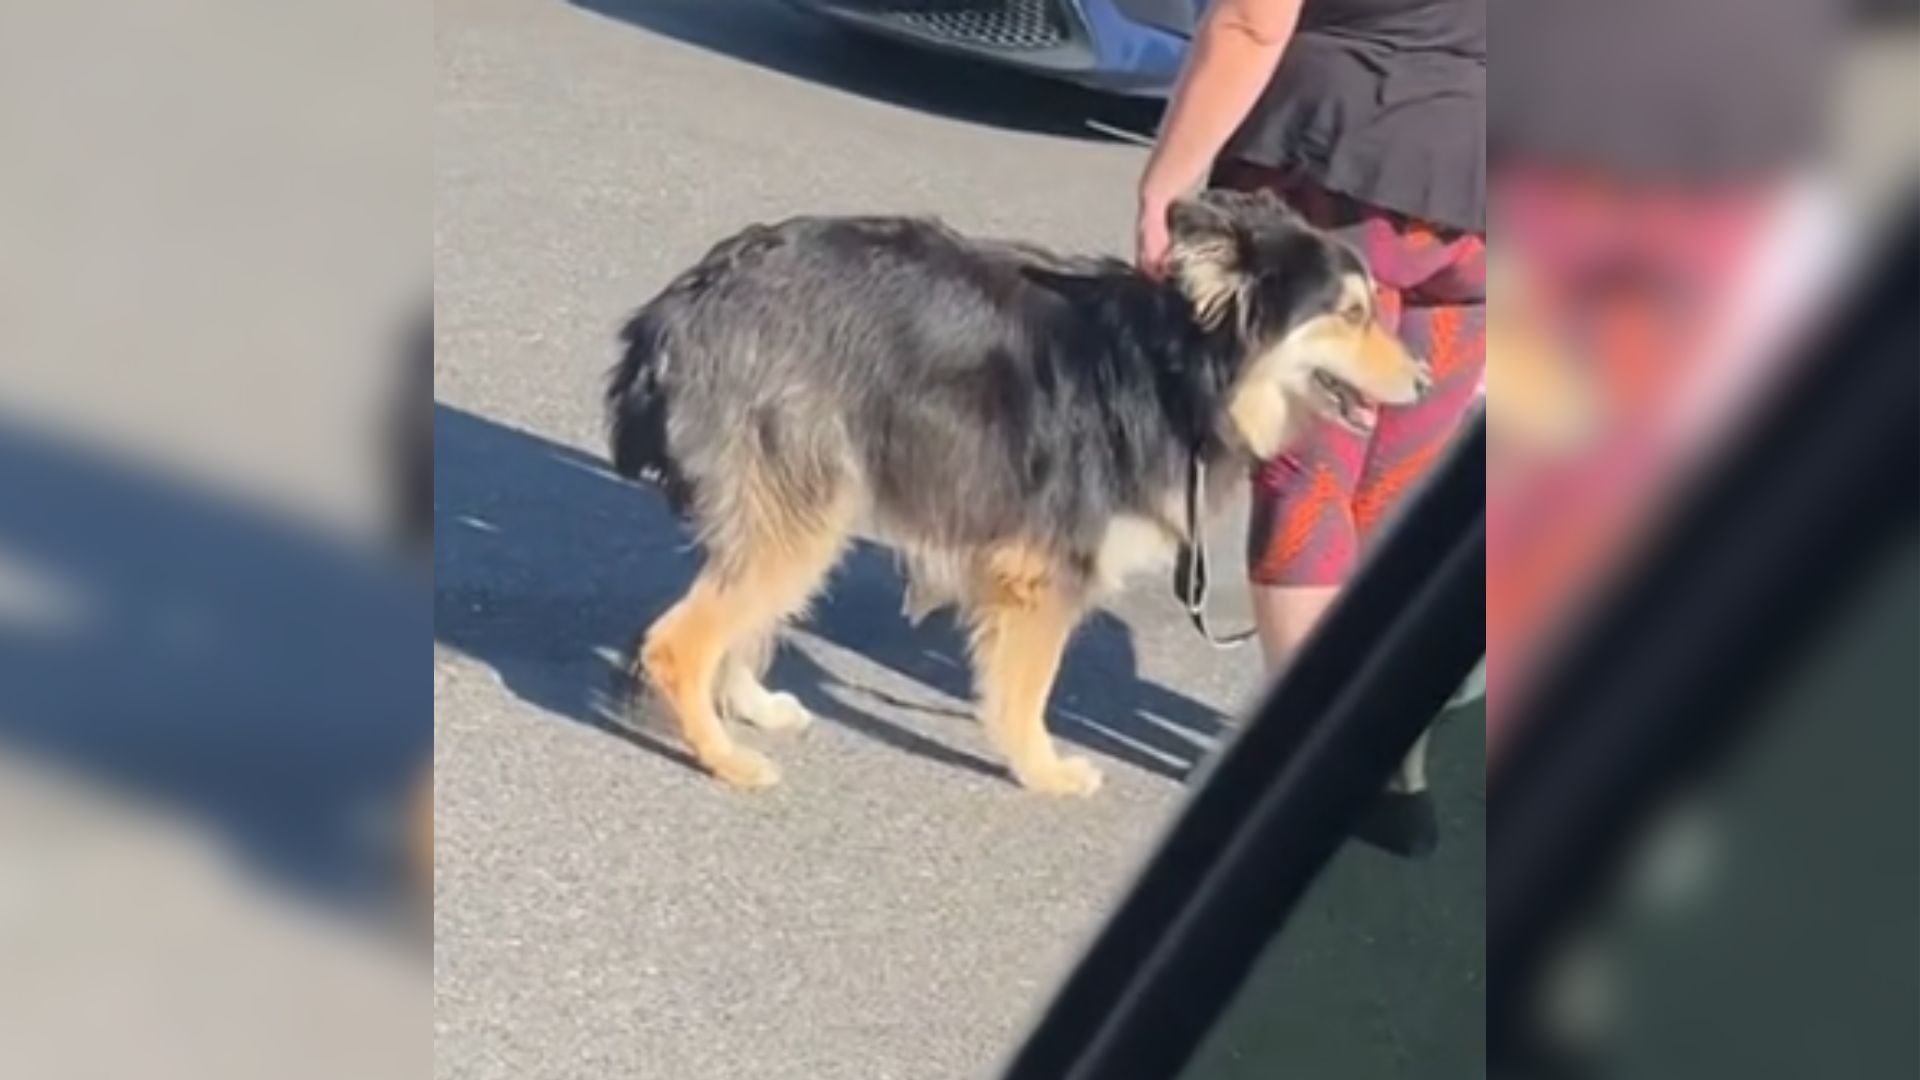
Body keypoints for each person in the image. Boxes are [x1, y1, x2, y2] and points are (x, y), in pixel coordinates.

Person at [1136, 0, 1485, 854]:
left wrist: (1167, 185)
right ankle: (1383, 757)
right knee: (1383, 497)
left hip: (1347, 172)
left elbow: (1251, 22)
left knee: (1308, 482)